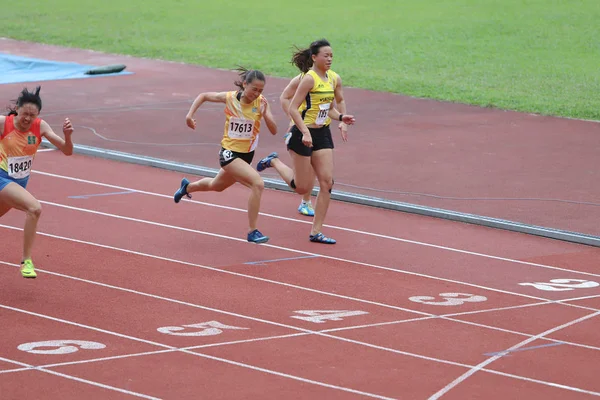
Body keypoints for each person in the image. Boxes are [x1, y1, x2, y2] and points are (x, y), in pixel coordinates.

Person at [256, 39, 355, 244]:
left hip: (323, 134)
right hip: (303, 134)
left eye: (331, 56)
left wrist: (341, 118)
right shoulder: (308, 79)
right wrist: (303, 130)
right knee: (302, 188)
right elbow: (292, 106)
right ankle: (274, 161)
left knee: (327, 183)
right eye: (325, 55)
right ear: (314, 57)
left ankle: (316, 231)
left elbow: (330, 108)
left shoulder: (334, 78)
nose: (329, 59)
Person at [174, 68, 277, 243]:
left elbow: (274, 130)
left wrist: (266, 113)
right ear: (245, 84)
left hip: (246, 156)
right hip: (228, 154)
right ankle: (253, 231)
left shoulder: (261, 102)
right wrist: (189, 116)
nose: (257, 94)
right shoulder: (229, 98)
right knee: (257, 184)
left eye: (261, 91)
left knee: (217, 185)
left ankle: (187, 187)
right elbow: (204, 96)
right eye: (254, 89)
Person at [0, 86, 74, 278]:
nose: (27, 118)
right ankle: (27, 261)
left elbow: (67, 151)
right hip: (2, 178)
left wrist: (67, 136)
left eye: (32, 115)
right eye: (25, 113)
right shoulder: (3, 124)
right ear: (17, 108)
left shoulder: (40, 126)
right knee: (34, 209)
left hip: (19, 183)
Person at [279, 54, 350, 217]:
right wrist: (293, 121)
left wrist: (342, 119)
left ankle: (306, 202)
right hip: (303, 129)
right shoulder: (303, 79)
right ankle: (305, 201)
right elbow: (285, 97)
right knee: (307, 172)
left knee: (320, 171)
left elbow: (338, 101)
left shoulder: (331, 79)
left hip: (321, 130)